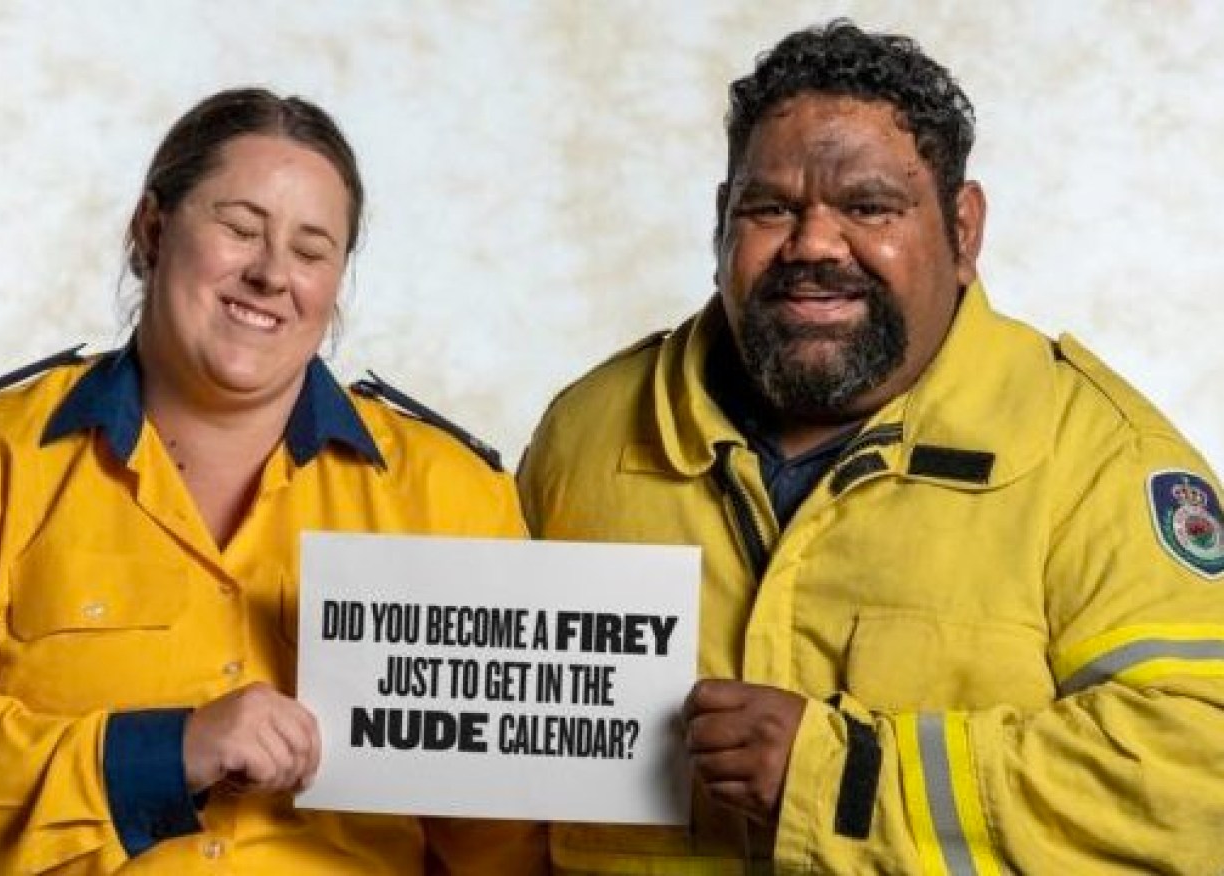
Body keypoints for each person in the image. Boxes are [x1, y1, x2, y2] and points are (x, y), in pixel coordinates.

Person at [518, 20, 1224, 874]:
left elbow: (1196, 780)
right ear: (719, 222)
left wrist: (839, 778)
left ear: (962, 229)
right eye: (770, 207)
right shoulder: (585, 435)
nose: (813, 245)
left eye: (868, 207)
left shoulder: (1095, 458)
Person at [0, 88, 545, 874]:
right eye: (240, 228)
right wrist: (164, 751)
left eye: (312, 251)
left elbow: (500, 843)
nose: (272, 273)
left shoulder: (452, 495)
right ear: (151, 230)